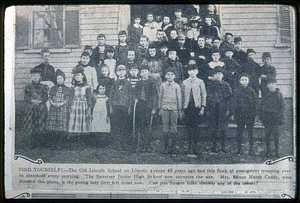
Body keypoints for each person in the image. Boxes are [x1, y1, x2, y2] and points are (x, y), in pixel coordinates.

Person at [206, 66, 232, 153]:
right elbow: (207, 98)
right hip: (213, 109)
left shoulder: (226, 85)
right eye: (216, 74)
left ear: (222, 75)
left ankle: (223, 146)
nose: (218, 76)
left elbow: (229, 98)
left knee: (223, 127)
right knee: (213, 127)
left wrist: (228, 109)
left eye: (219, 74)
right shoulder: (211, 85)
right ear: (213, 75)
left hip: (223, 109)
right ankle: (214, 145)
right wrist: (208, 110)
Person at [182, 64, 206, 155]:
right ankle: (189, 146)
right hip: (187, 107)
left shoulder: (200, 82)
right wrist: (182, 109)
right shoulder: (184, 82)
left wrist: (202, 107)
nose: (192, 72)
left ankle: (195, 146)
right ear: (188, 72)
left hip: (197, 107)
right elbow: (182, 95)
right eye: (190, 71)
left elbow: (203, 95)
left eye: (194, 70)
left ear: (197, 72)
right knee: (188, 126)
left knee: (196, 127)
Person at [231, 74, 258, 155]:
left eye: (246, 80)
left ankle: (251, 149)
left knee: (250, 132)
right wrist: (233, 113)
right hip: (240, 115)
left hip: (250, 115)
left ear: (248, 81)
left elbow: (255, 104)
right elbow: (234, 103)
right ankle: (239, 149)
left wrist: (255, 114)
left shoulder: (252, 91)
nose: (244, 81)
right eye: (242, 80)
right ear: (239, 81)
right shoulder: (236, 91)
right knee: (239, 132)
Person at [133, 65, 158, 153]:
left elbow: (155, 95)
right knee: (140, 125)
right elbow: (135, 93)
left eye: (145, 71)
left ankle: (147, 144)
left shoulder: (152, 82)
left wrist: (154, 108)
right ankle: (140, 144)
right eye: (142, 71)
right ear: (140, 73)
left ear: (149, 73)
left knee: (148, 125)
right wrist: (136, 98)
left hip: (149, 105)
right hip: (140, 105)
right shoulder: (138, 83)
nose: (144, 73)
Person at [158, 68, 182, 154]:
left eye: (171, 74)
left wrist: (179, 110)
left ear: (174, 76)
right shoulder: (163, 85)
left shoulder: (177, 86)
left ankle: (172, 147)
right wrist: (160, 108)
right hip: (164, 108)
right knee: (165, 127)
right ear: (165, 76)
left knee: (173, 127)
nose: (169, 76)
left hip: (174, 109)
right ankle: (165, 147)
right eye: (168, 74)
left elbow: (179, 98)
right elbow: (160, 97)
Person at [23, 67, 49, 149]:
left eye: (37, 75)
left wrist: (40, 101)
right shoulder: (28, 87)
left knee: (41, 124)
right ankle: (31, 143)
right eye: (33, 75)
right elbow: (26, 98)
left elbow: (46, 97)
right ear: (31, 77)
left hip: (41, 107)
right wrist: (33, 101)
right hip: (31, 108)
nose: (35, 77)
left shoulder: (43, 86)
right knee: (31, 124)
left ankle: (41, 143)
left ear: (40, 77)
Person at [68, 66, 93, 149]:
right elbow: (71, 97)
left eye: (79, 75)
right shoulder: (73, 87)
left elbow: (89, 98)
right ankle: (75, 143)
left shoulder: (87, 87)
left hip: (83, 106)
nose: (77, 77)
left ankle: (83, 143)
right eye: (75, 76)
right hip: (75, 106)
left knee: (83, 123)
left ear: (82, 76)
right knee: (75, 123)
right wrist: (69, 107)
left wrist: (89, 108)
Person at [46, 69, 71, 150]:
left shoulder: (67, 89)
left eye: (61, 78)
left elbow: (67, 99)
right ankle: (53, 144)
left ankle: (60, 144)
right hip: (54, 109)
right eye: (57, 79)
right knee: (54, 127)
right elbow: (50, 98)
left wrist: (61, 104)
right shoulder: (53, 88)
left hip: (62, 108)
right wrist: (53, 103)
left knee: (61, 127)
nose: (59, 80)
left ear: (64, 79)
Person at [110, 65, 132, 151]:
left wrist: (129, 106)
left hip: (125, 106)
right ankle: (117, 144)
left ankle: (124, 144)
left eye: (123, 70)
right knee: (116, 125)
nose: (121, 72)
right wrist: (111, 106)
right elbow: (111, 95)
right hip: (116, 106)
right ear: (116, 72)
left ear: (126, 72)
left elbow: (130, 95)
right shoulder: (114, 82)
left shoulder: (128, 83)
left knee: (124, 126)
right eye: (119, 70)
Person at [260, 78, 284, 157]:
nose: (271, 86)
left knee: (275, 134)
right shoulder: (265, 94)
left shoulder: (279, 94)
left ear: (275, 85)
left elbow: (282, 106)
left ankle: (276, 150)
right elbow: (262, 106)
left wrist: (279, 115)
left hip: (275, 117)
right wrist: (263, 116)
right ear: (267, 86)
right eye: (269, 84)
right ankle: (268, 150)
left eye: (272, 84)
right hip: (267, 117)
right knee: (267, 134)